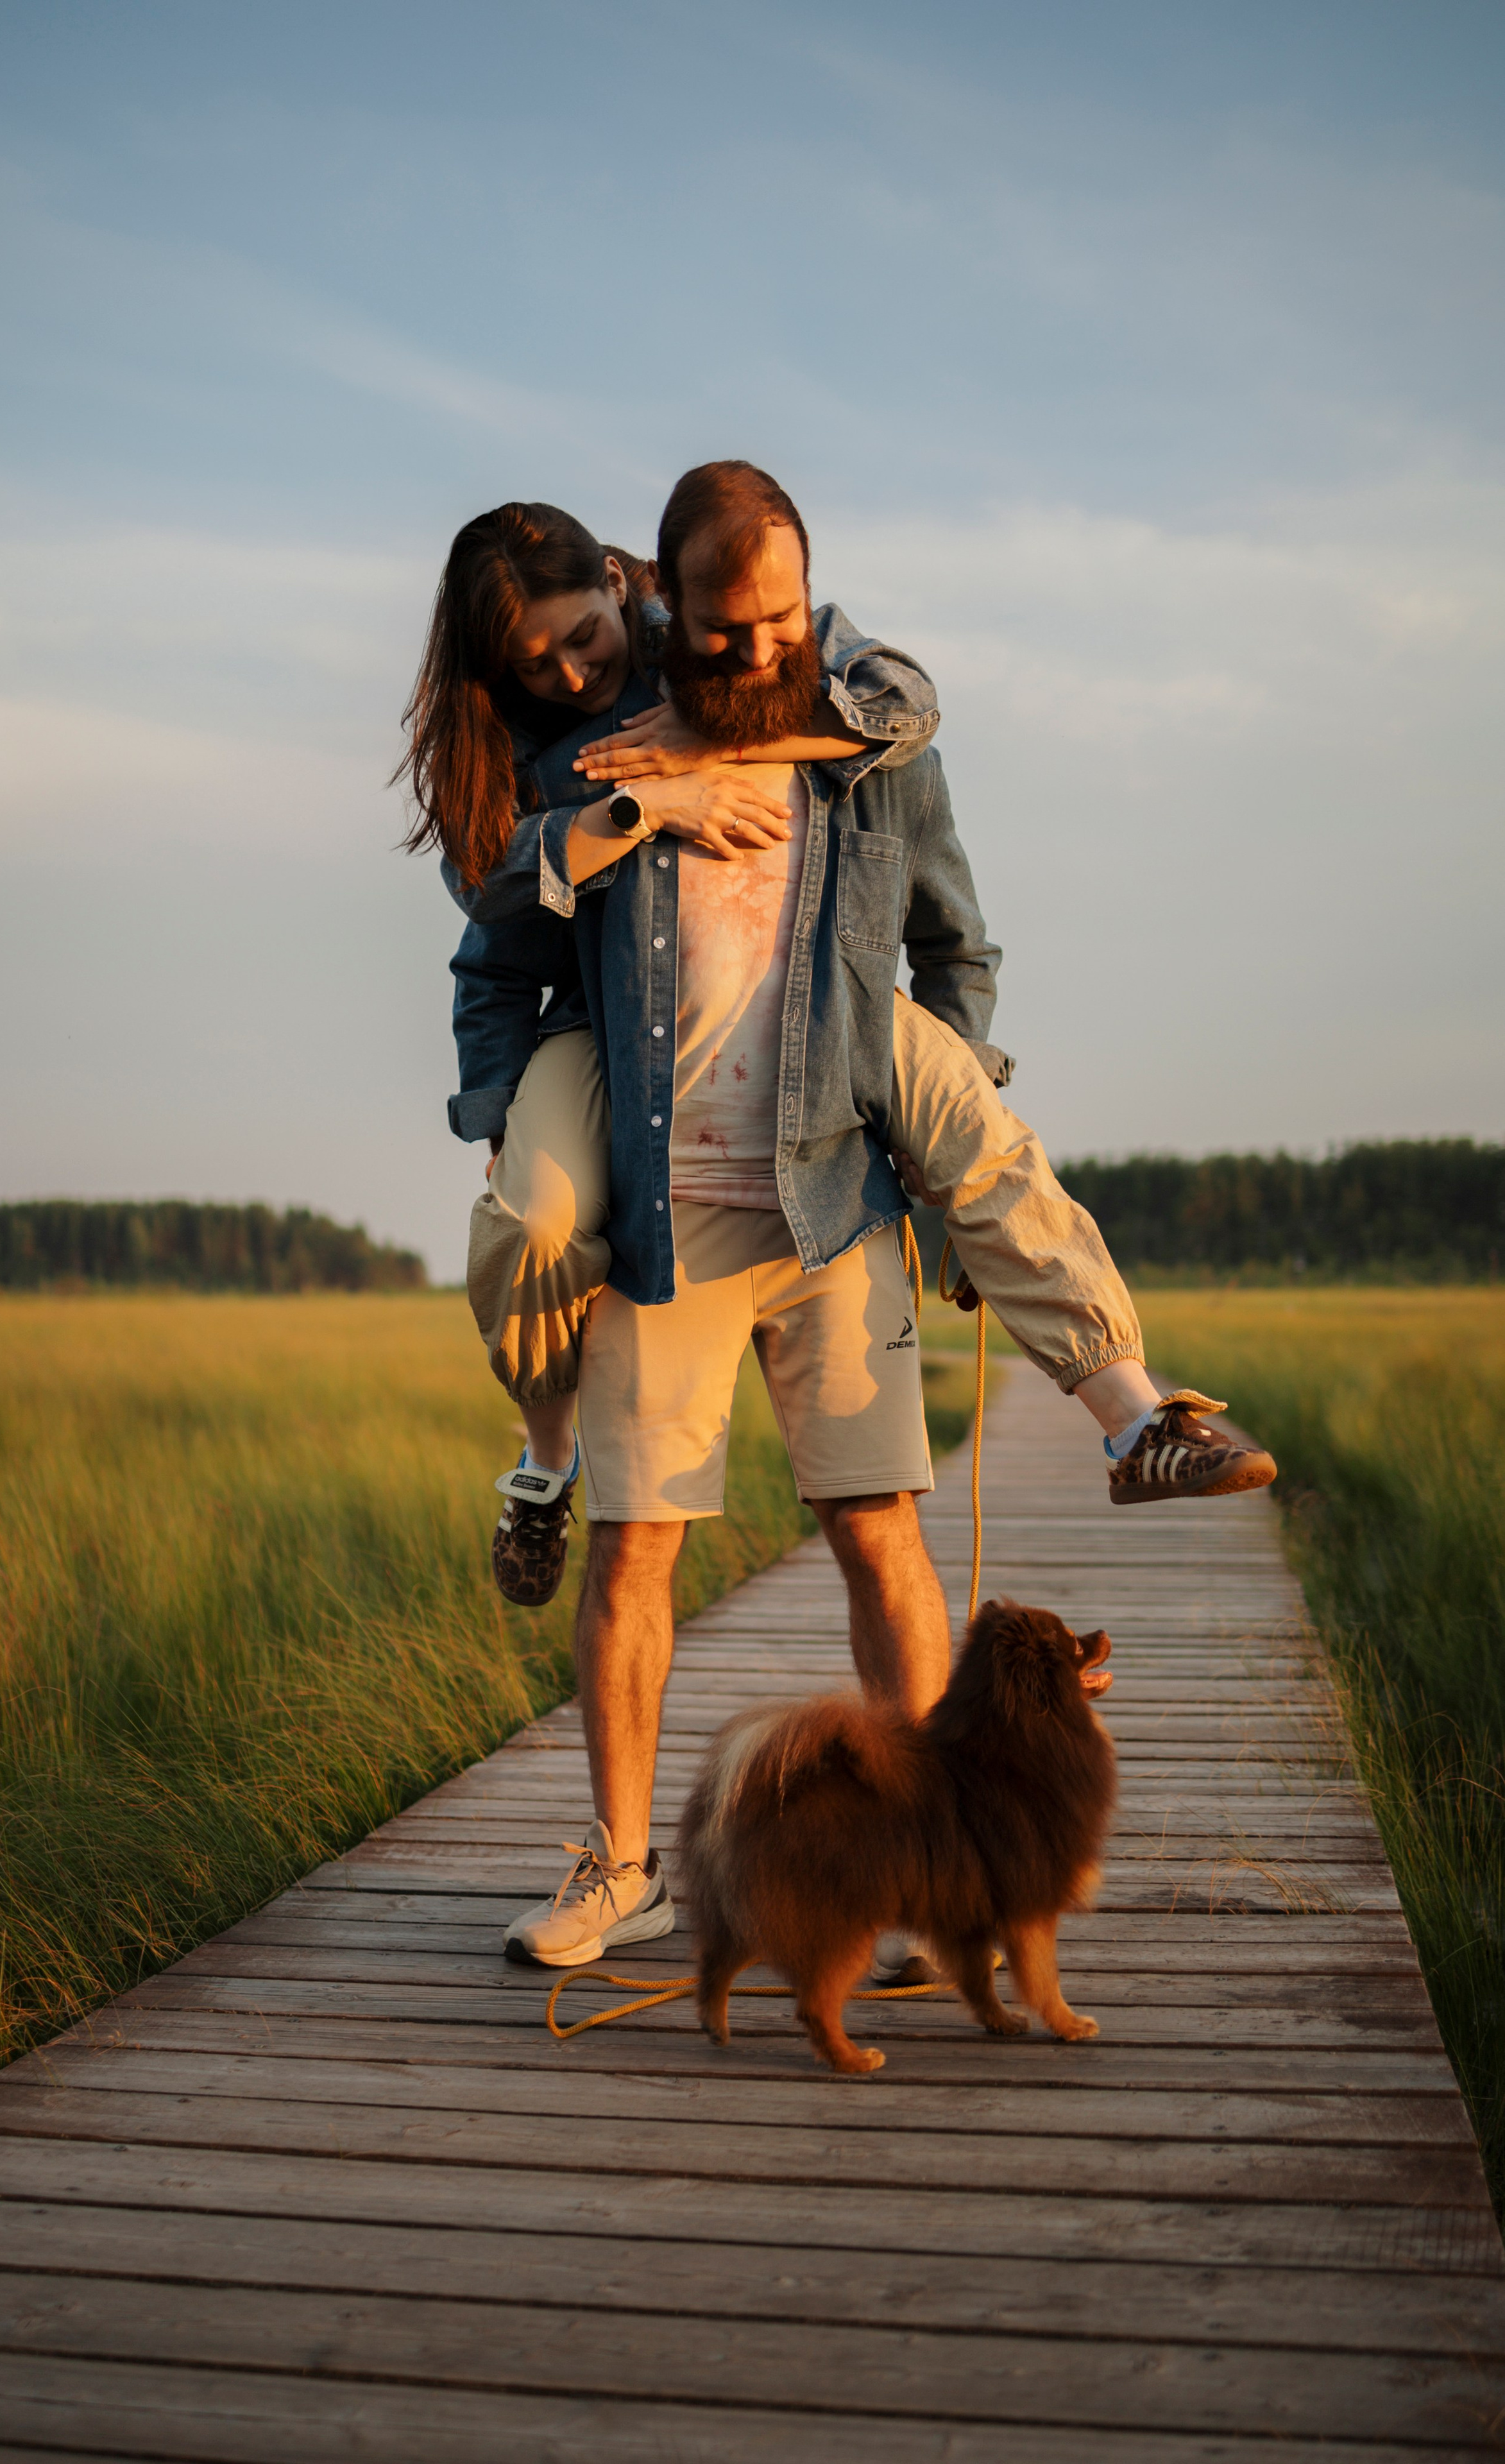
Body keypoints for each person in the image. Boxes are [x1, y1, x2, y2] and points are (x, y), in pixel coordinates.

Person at [403, 466, 1276, 1967]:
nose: (752, 652)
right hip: (667, 1218)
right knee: (632, 1555)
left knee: (879, 1536)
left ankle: (937, 1846)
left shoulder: (863, 728)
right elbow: (497, 933)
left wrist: (935, 1114)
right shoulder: (589, 762)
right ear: (661, 600)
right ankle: (621, 1868)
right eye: (726, 630)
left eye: (776, 623)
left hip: (829, 1199)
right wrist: (634, 813)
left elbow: (953, 933)